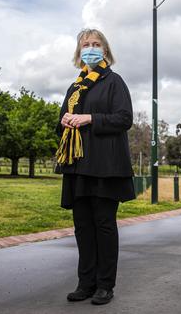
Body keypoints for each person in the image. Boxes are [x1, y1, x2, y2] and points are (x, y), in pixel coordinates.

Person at [55, 28, 136, 306]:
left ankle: (105, 285)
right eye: (86, 44)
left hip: (105, 166)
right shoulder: (74, 87)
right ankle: (85, 283)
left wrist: (90, 118)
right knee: (82, 227)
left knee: (103, 225)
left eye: (96, 44)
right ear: (79, 53)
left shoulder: (114, 82)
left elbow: (124, 119)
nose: (90, 48)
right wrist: (64, 121)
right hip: (77, 167)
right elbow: (61, 123)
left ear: (105, 50)